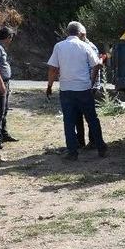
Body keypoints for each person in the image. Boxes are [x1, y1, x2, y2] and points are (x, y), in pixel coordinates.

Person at [46, 21, 107, 160]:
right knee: (92, 119)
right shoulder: (85, 46)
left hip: (66, 89)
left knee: (69, 121)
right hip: (83, 89)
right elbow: (96, 65)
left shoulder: (59, 47)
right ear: (80, 33)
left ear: (68, 32)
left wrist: (49, 86)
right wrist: (91, 80)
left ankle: (73, 152)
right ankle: (100, 147)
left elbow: (53, 69)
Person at [74, 30, 103, 149]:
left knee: (90, 116)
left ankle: (94, 142)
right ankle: (81, 141)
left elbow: (95, 67)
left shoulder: (90, 47)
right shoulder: (81, 47)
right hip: (83, 86)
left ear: (82, 35)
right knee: (78, 115)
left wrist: (90, 85)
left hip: (90, 87)